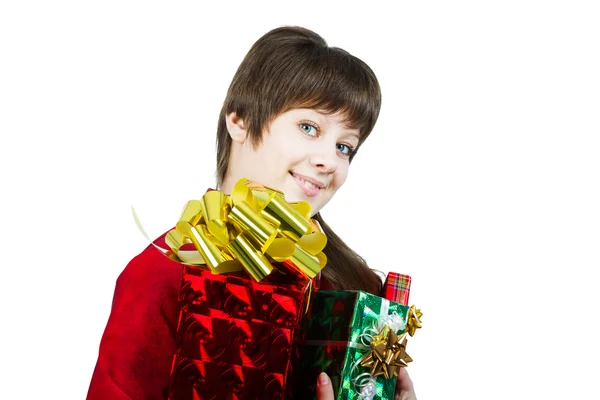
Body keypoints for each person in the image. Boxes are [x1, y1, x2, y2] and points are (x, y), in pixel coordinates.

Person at [87, 26, 417, 400]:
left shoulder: (357, 294)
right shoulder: (162, 275)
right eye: (309, 127)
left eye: (345, 147)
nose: (328, 161)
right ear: (239, 120)